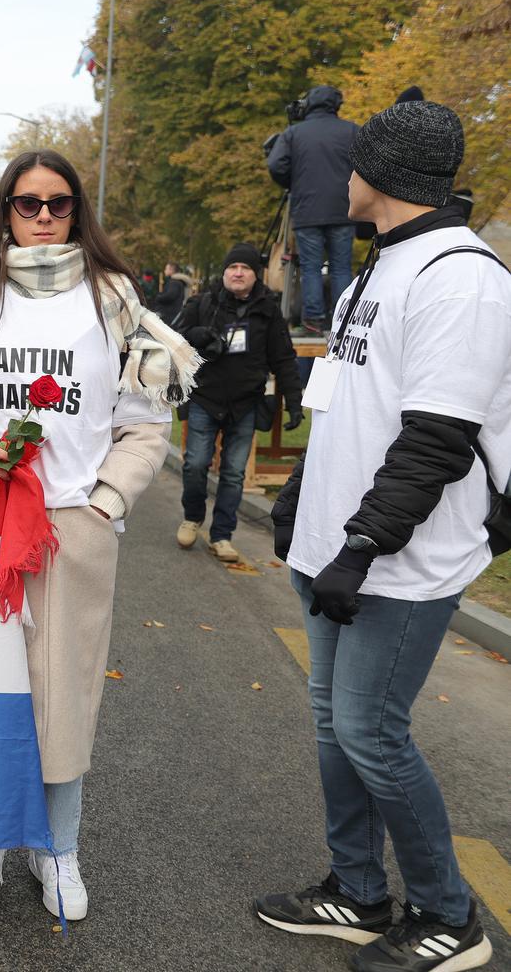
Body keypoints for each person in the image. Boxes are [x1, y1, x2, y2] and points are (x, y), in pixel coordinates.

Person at [0, 149, 197, 922]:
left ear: (75, 211)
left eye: (57, 203)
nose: (41, 216)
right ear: (5, 210)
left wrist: (104, 502)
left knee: (62, 696)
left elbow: (144, 422)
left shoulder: (112, 297)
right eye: (26, 203)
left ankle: (57, 845)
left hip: (71, 528)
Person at [257, 101, 501, 972]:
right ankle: (357, 891)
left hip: (398, 561)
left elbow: (435, 439)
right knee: (337, 726)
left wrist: (359, 547)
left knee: (370, 732)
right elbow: (342, 404)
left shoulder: (461, 279)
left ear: (382, 175)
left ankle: (447, 916)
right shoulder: (380, 265)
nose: (341, 174)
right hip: (333, 548)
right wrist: (299, 500)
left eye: (354, 161)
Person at [173, 242, 304, 562]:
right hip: (205, 396)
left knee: (233, 473)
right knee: (195, 464)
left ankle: (222, 535)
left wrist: (294, 402)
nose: (238, 273)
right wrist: (197, 335)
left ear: (256, 275)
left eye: (245, 268)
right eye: (233, 267)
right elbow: (174, 338)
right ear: (225, 272)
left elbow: (283, 359)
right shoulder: (203, 302)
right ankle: (192, 517)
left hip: (245, 403)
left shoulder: (268, 310)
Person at [267, 85, 358, 333]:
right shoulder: (351, 131)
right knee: (341, 267)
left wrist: (293, 183)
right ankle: (343, 321)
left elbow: (276, 165)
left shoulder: (294, 133)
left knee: (311, 267)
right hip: (343, 209)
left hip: (307, 209)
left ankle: (313, 321)